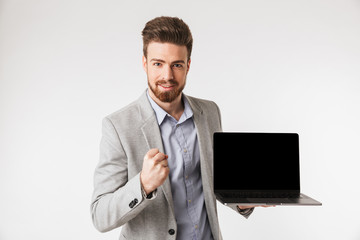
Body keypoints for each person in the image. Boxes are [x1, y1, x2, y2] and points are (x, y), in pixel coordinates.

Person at [91, 16, 261, 240]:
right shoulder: (118, 126)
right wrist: (143, 185)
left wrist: (245, 201)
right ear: (145, 63)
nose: (167, 76)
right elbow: (100, 215)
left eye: (177, 65)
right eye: (158, 64)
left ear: (188, 65)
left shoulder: (210, 113)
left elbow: (215, 184)